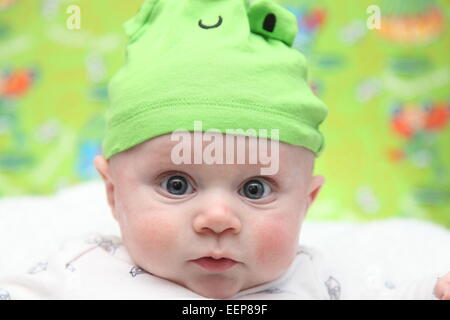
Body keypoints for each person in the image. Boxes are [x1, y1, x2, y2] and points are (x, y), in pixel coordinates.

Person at [0, 0, 448, 300]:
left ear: (305, 204)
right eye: (177, 184)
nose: (217, 218)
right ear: (114, 194)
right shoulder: (79, 273)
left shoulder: (317, 279)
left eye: (256, 188)